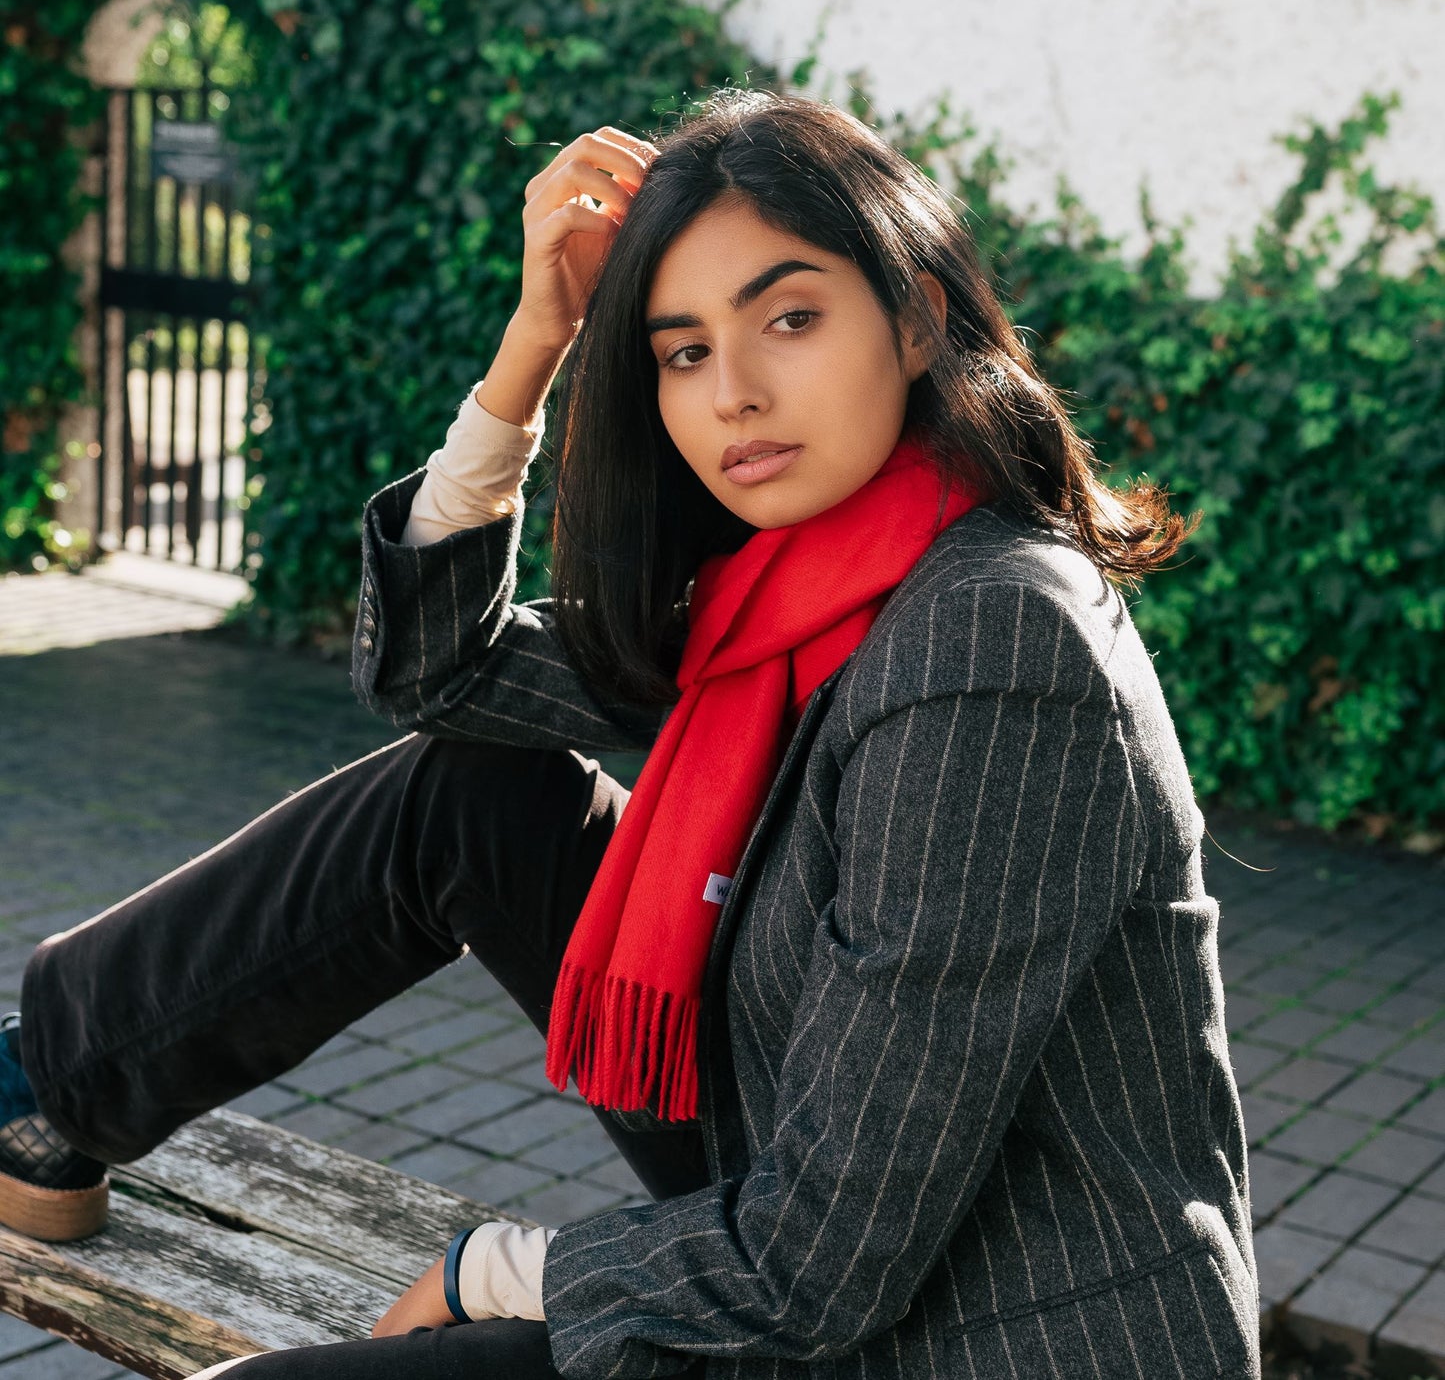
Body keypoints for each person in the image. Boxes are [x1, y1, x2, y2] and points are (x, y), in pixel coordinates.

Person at [0, 89, 1261, 1379]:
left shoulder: (993, 647)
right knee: (471, 792)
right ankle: (35, 1096)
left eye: (790, 318)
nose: (738, 395)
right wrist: (531, 345)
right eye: (683, 351)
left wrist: (494, 1270)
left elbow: (820, 1263)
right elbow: (445, 677)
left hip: (974, 1326)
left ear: (920, 317)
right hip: (816, 1175)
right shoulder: (788, 592)